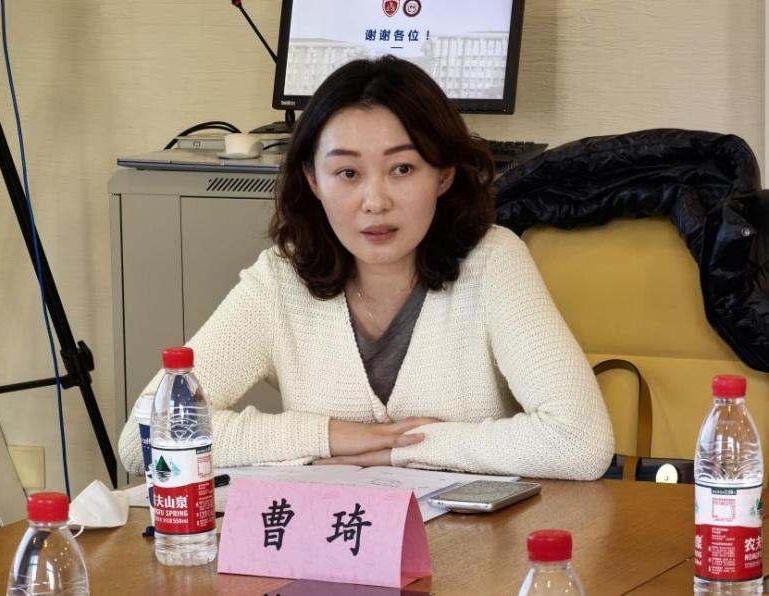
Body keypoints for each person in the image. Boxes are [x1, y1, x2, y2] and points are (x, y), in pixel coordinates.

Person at [118, 56, 614, 480]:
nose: (375, 202)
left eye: (403, 168)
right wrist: (331, 437)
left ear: (443, 174)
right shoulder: (281, 279)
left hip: (473, 550)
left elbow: (580, 441)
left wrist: (402, 450)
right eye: (348, 172)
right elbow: (144, 438)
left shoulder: (492, 261)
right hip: (330, 547)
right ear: (313, 179)